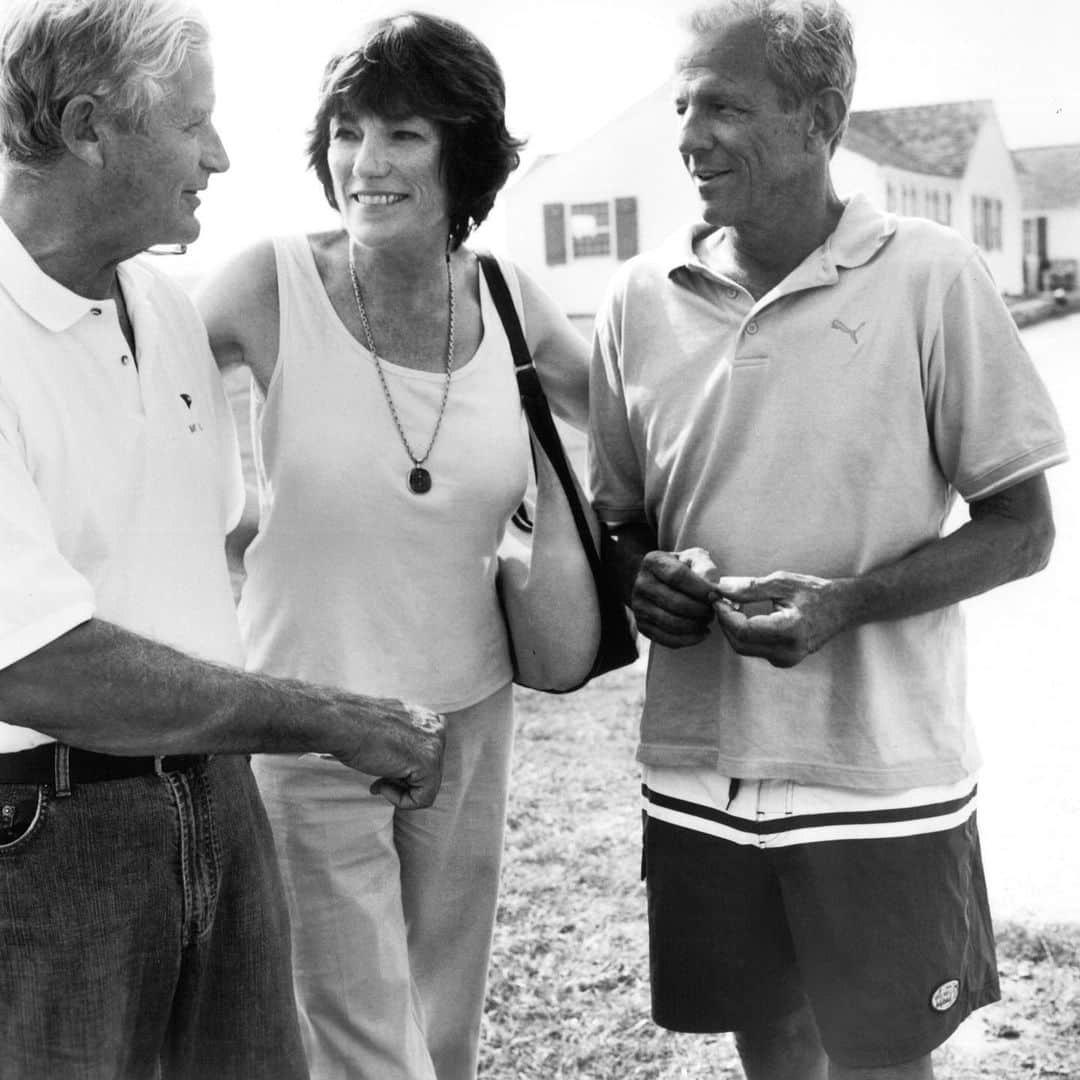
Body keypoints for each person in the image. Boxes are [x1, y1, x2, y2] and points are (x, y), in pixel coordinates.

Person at [587, 2, 1068, 1079]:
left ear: (822, 119)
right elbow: (617, 520)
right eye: (682, 105)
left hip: (883, 773)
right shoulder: (635, 296)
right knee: (774, 1039)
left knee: (884, 1055)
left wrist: (844, 603)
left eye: (725, 105)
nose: (689, 134)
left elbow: (1023, 533)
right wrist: (640, 578)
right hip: (707, 770)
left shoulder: (932, 275)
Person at [0, 1, 446, 1077]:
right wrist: (325, 718)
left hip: (214, 802)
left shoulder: (162, 305)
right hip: (44, 843)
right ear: (88, 124)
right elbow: (34, 660)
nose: (222, 155)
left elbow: (212, 551)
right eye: (193, 124)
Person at [196, 12, 589, 1080]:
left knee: (443, 1031)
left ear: (463, 151)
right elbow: (127, 399)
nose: (366, 163)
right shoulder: (267, 283)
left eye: (404, 133)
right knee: (368, 1044)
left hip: (469, 716)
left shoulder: (508, 301)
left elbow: (646, 425)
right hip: (309, 723)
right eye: (347, 132)